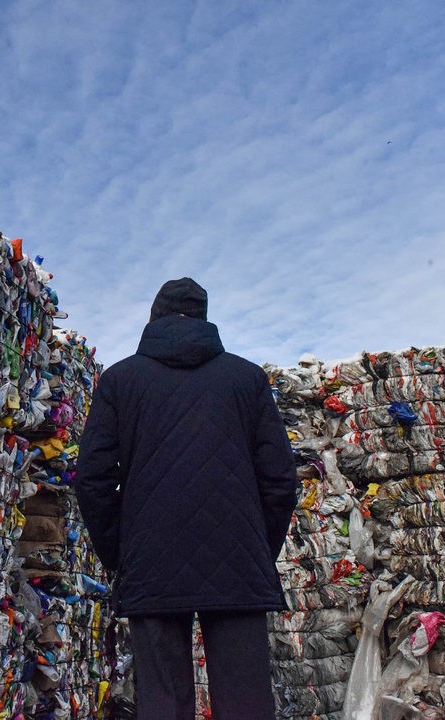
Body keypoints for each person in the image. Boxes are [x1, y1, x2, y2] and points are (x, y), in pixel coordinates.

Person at [74, 277, 298, 720]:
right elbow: (280, 481)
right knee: (246, 704)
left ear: (154, 317)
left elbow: (93, 481)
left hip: (151, 560)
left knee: (163, 704)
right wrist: (257, 548)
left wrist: (121, 553)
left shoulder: (120, 381)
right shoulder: (248, 379)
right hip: (237, 560)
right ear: (204, 318)